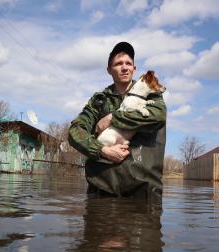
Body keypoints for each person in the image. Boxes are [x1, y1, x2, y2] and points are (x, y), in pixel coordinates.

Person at [68, 42, 167, 201]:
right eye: (118, 63)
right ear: (109, 70)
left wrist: (114, 117)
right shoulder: (99, 100)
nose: (125, 67)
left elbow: (158, 116)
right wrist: (102, 150)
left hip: (144, 192)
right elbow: (75, 132)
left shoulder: (151, 92)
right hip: (102, 190)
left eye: (129, 63)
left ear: (134, 69)